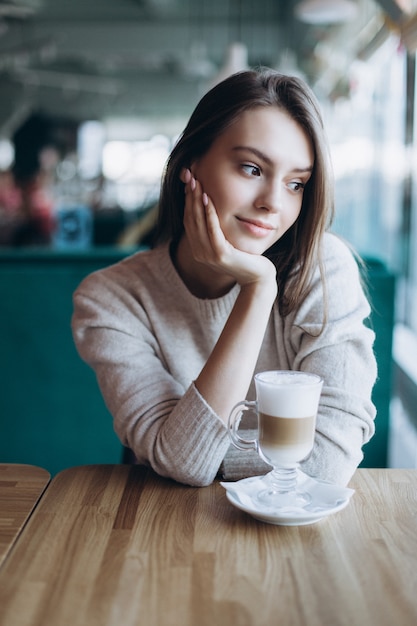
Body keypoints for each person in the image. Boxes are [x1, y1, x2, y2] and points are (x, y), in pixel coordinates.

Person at [72, 68, 377, 488]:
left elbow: (329, 459)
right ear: (191, 163)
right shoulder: (111, 299)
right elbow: (184, 464)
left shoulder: (322, 268)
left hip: (291, 534)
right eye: (251, 168)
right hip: (162, 534)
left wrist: (203, 451)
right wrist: (258, 289)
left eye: (295, 183)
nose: (273, 203)